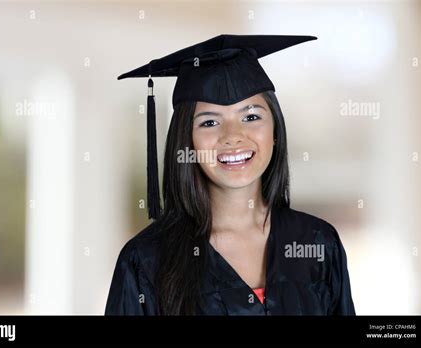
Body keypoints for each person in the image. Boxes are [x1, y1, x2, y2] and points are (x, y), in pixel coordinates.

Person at [105, 34, 356, 315]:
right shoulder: (147, 261)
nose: (233, 136)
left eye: (251, 117)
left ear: (275, 131)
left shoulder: (317, 243)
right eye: (210, 122)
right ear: (186, 141)